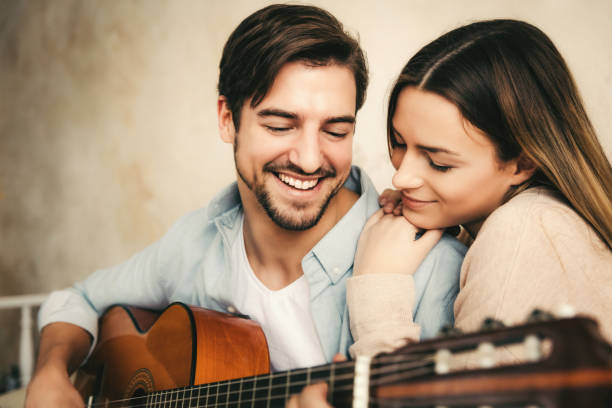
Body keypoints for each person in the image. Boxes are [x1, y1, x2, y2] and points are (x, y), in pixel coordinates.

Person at [25, 4, 466, 408]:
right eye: (280, 125)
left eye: (335, 131)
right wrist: (50, 371)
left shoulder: (433, 270)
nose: (310, 160)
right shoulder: (196, 242)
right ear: (227, 119)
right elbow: (78, 298)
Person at [288, 18, 612, 408]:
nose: (402, 176)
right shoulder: (544, 219)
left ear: (521, 163)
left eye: (439, 163)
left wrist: (377, 286)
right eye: (398, 143)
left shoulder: (523, 232)